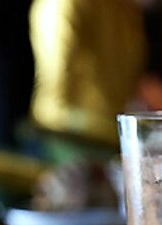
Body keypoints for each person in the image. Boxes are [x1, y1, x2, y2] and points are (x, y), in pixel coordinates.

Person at [29, 0, 147, 147]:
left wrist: (49, 119)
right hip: (113, 129)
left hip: (68, 132)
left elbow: (59, 69)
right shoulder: (125, 8)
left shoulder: (60, 3)